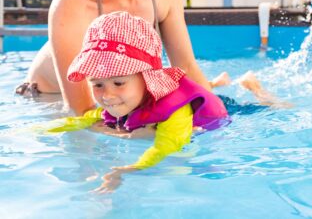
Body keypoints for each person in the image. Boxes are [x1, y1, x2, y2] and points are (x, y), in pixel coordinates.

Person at [52, 11, 229, 193]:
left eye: (118, 83)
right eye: (98, 84)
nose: (107, 95)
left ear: (148, 78)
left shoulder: (176, 109)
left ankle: (242, 85)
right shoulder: (125, 99)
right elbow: (87, 118)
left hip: (221, 116)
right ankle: (216, 82)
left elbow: (168, 148)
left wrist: (128, 170)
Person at [16, 0, 211, 116]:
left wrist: (215, 113)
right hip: (49, 97)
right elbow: (80, 110)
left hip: (116, 89)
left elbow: (186, 66)